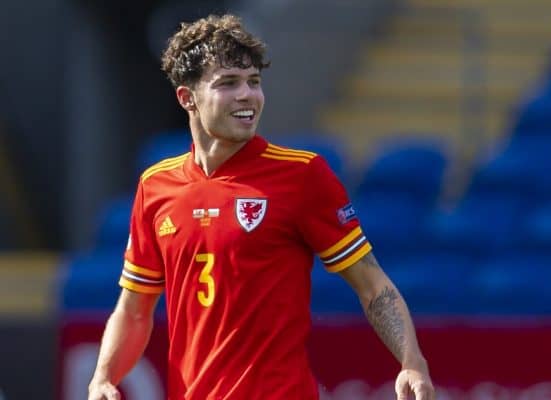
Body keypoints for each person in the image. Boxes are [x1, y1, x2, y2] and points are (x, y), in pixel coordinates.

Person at [88, 14, 435, 400]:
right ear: (187, 98)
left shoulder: (303, 175)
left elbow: (373, 286)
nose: (248, 95)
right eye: (228, 83)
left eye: (254, 82)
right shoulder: (156, 187)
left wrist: (411, 361)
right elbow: (135, 309)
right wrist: (103, 376)